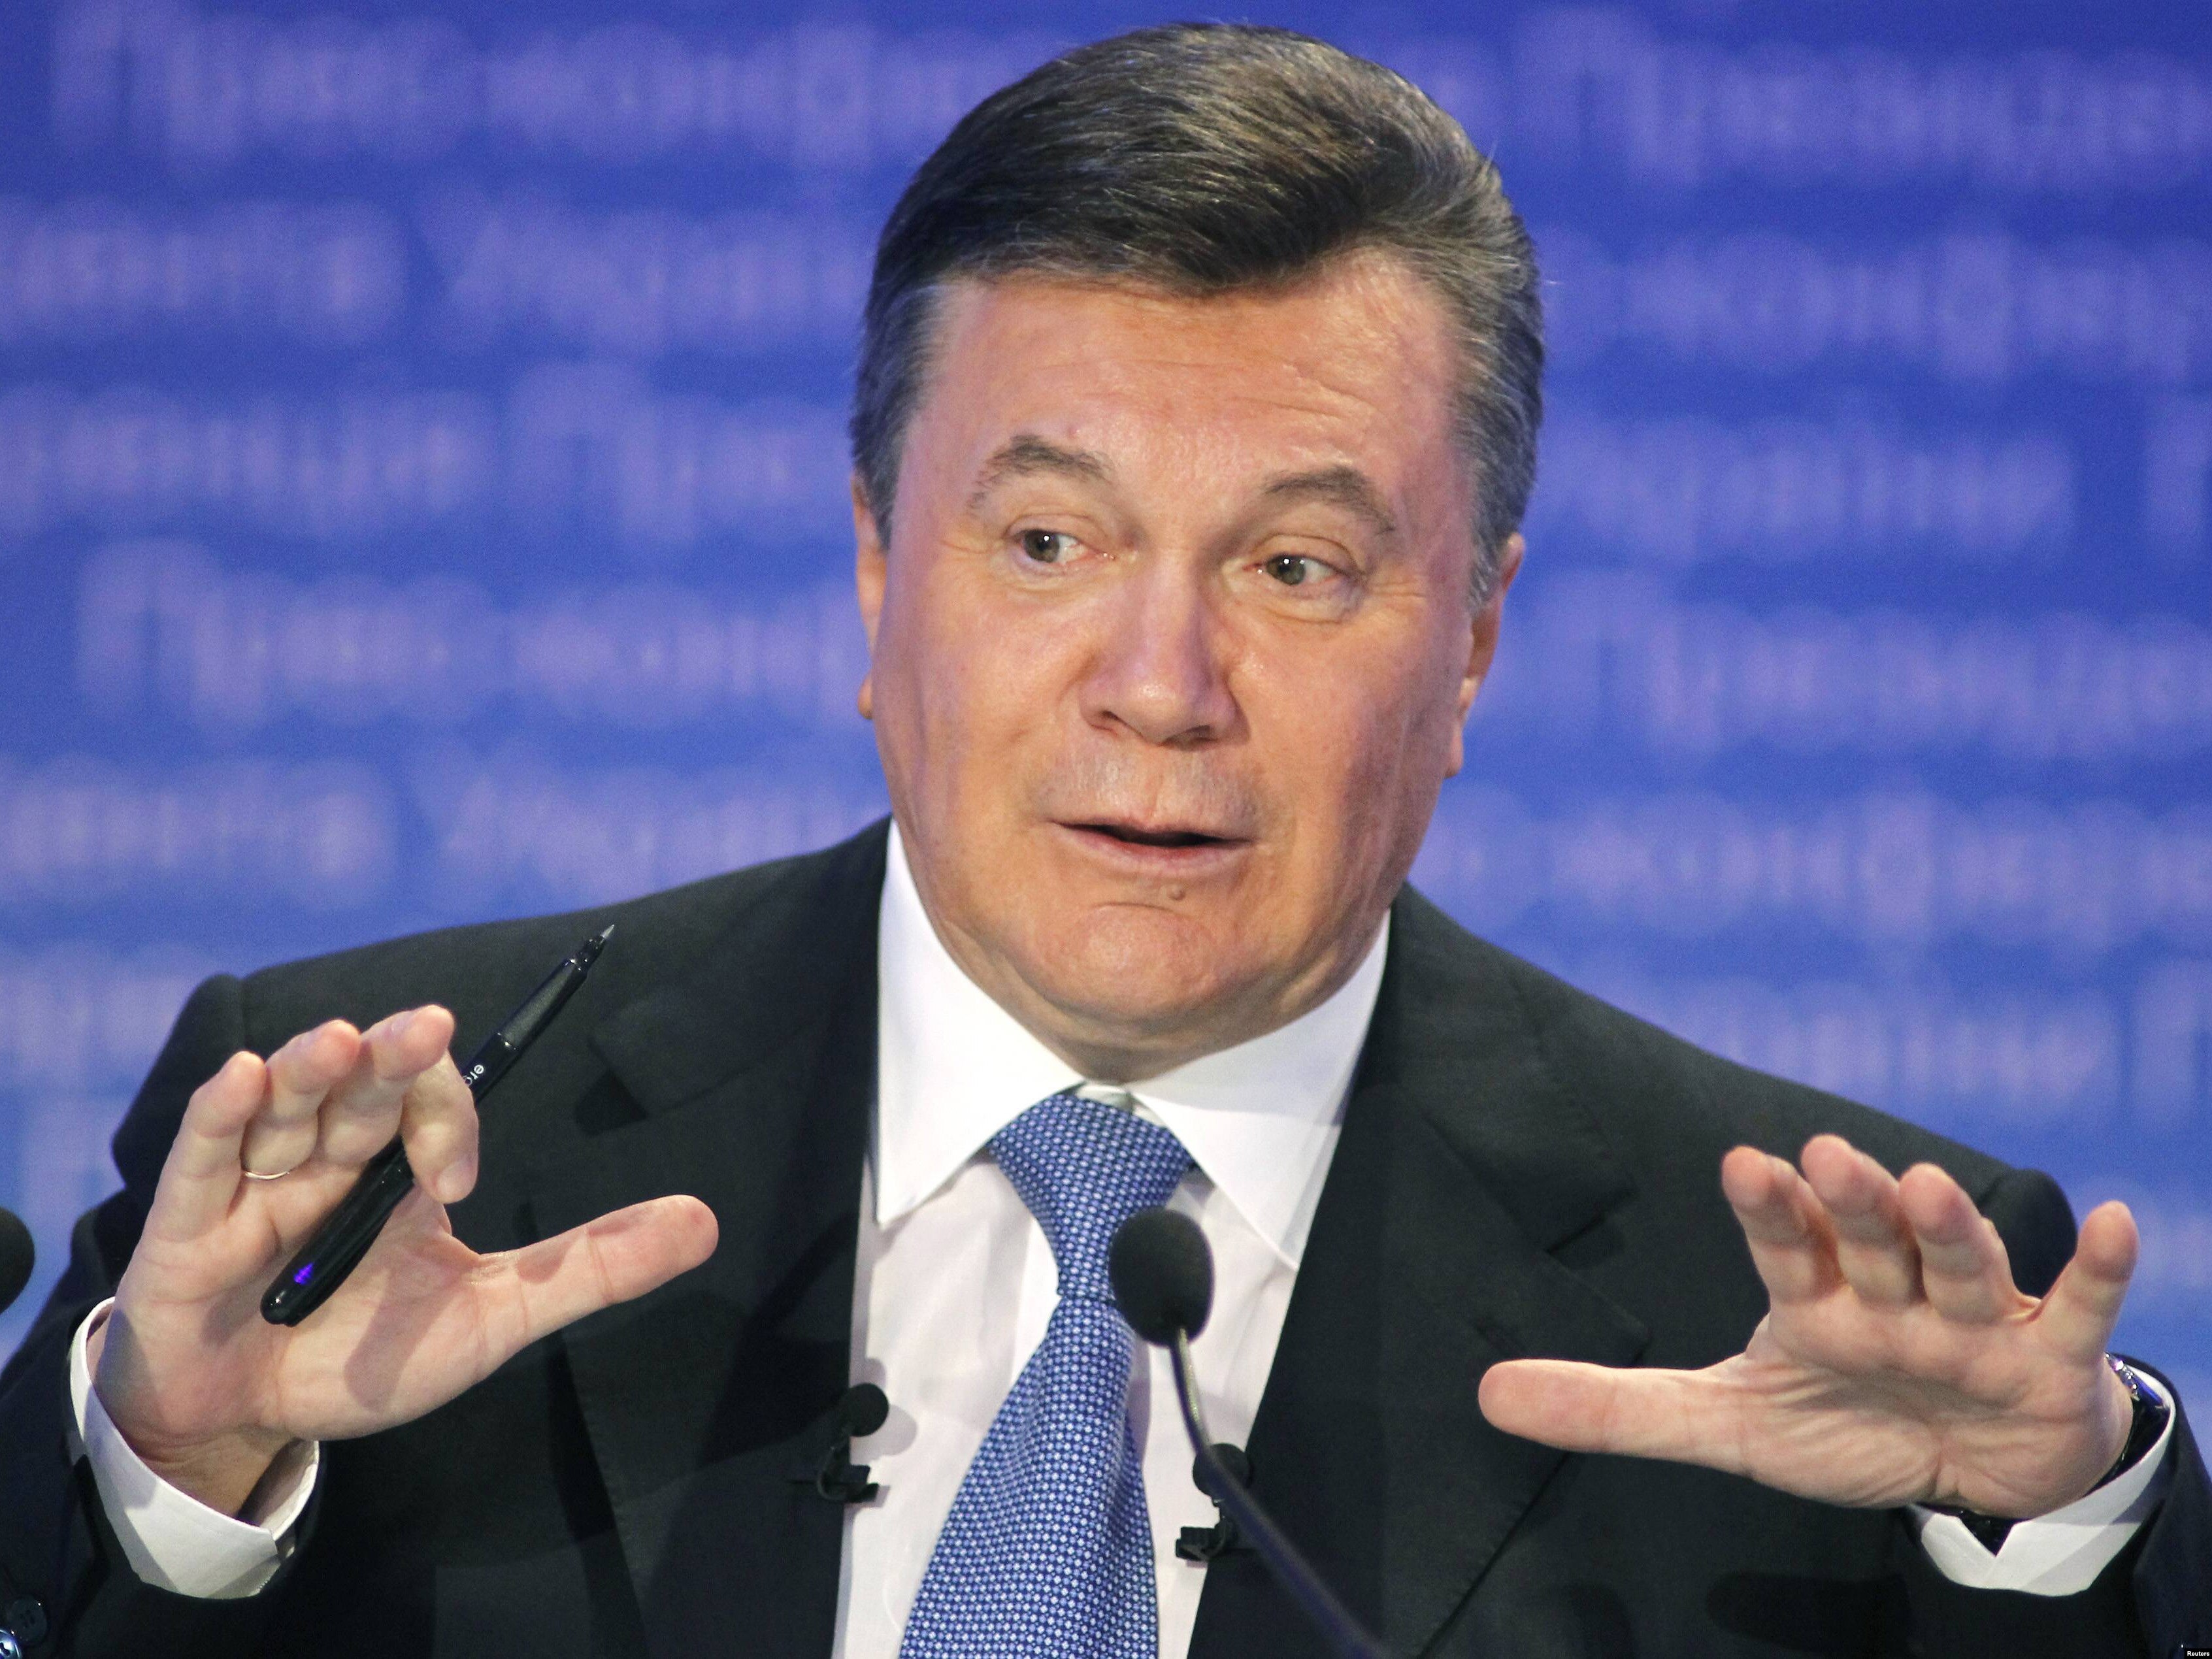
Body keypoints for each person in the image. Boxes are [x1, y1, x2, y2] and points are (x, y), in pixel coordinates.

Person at [0, 24, 2204, 1658]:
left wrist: (2038, 1536)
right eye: (1047, 540)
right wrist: (177, 1463)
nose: (1160, 683)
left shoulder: (1791, 1317)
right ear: (879, 571)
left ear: (1473, 642)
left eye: (1297, 568)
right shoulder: (382, 1157)